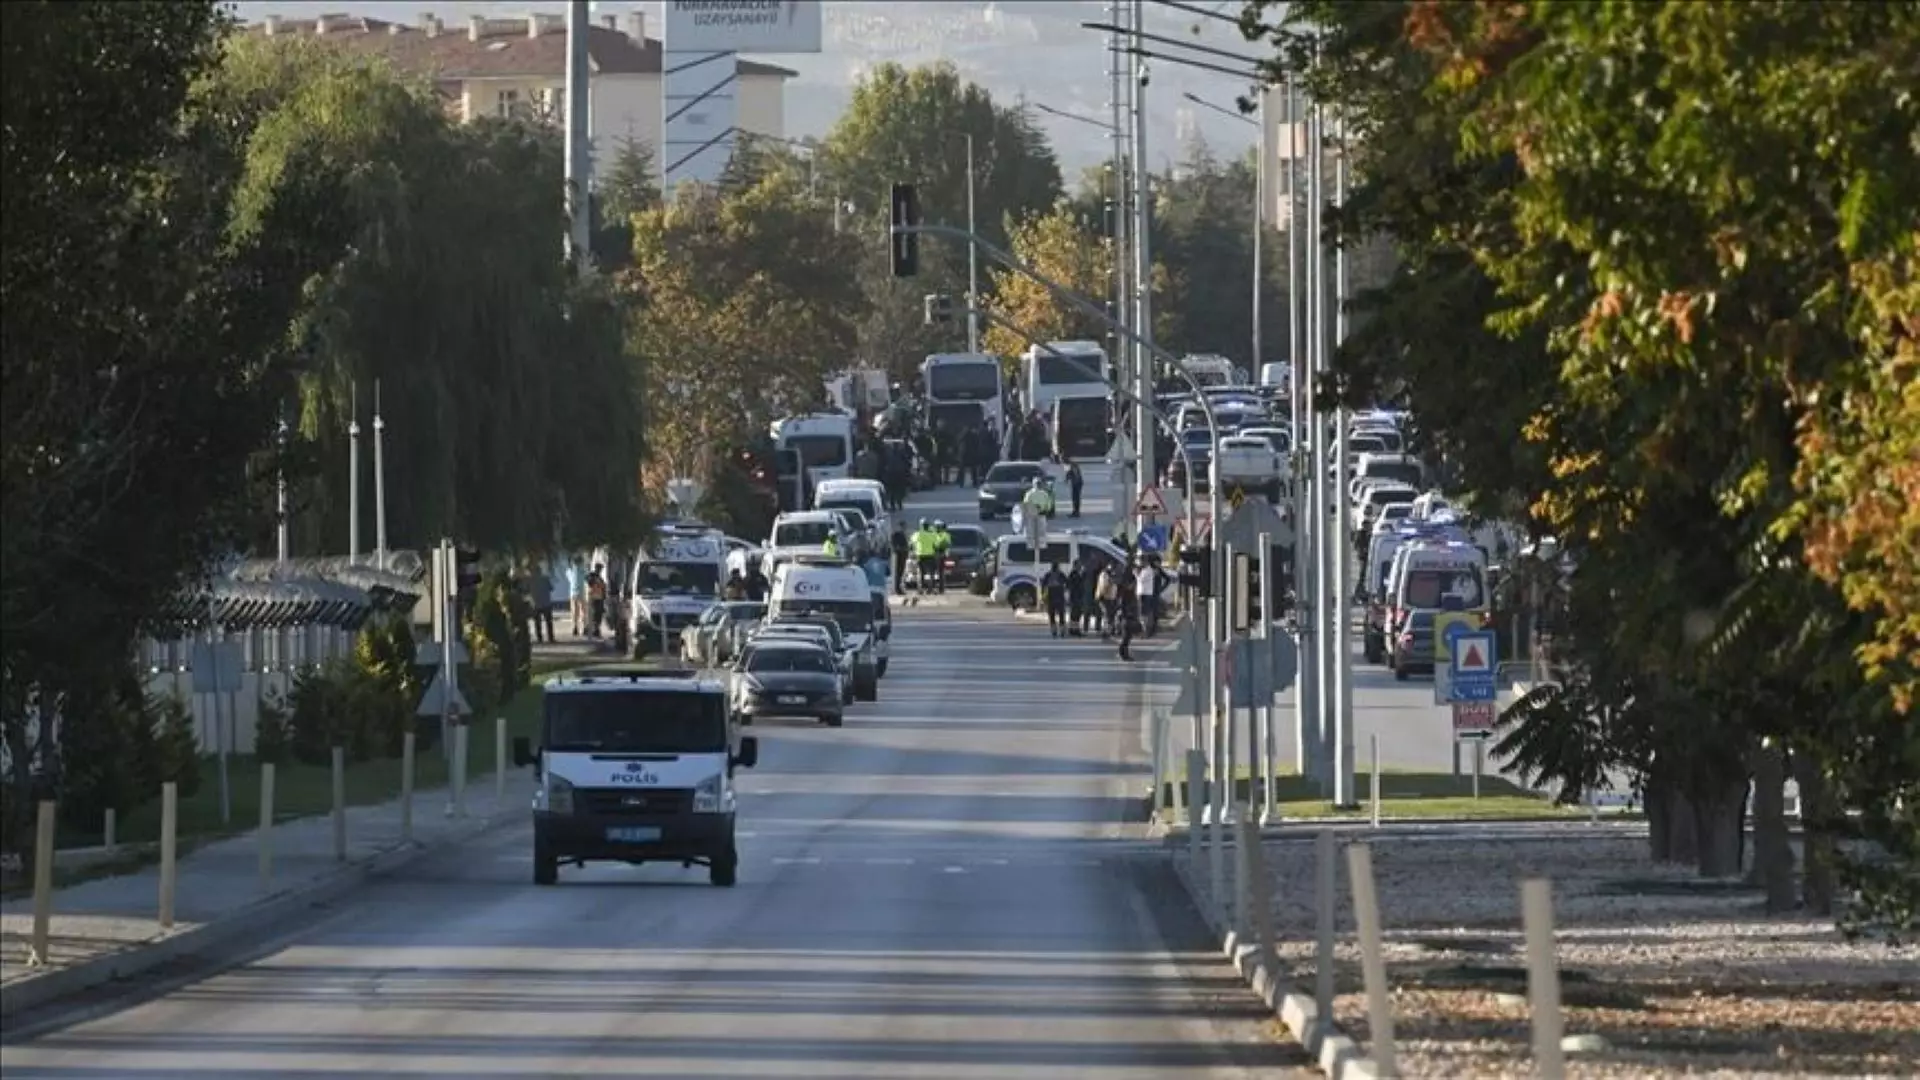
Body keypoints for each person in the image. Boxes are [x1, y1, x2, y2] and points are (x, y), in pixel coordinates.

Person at [1135, 556, 1168, 637]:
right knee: (1147, 612)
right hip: (1148, 593)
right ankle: (1149, 630)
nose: (1158, 564)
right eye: (1157, 562)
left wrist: (1161, 589)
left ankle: (1151, 630)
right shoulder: (1148, 569)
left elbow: (1167, 579)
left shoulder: (1153, 570)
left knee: (1150, 612)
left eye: (1159, 562)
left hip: (1152, 593)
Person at [909, 518, 940, 596]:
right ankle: (930, 588)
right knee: (931, 573)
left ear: (921, 526)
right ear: (928, 526)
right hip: (930, 555)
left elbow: (911, 544)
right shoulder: (932, 534)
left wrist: (913, 551)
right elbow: (936, 545)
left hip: (920, 555)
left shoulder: (917, 534)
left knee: (920, 573)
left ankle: (920, 589)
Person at [527, 563, 556, 644]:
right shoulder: (545, 578)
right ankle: (551, 638)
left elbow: (526, 590)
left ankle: (539, 638)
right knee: (548, 621)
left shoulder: (530, 580)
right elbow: (551, 588)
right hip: (546, 602)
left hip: (536, 603)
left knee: (537, 622)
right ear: (540, 571)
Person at [1041, 561, 1070, 638]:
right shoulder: (1061, 575)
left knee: (1052, 615)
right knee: (1061, 615)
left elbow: (1043, 586)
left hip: (1051, 597)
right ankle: (1062, 631)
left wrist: (1043, 597)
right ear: (1058, 567)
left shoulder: (1048, 575)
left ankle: (1054, 631)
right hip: (1060, 597)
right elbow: (1067, 584)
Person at [1116, 575, 1139, 661]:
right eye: (1133, 583)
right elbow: (1122, 606)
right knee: (1125, 637)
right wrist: (1128, 614)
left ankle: (1124, 653)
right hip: (1127, 618)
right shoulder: (1125, 593)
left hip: (1130, 617)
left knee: (1128, 637)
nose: (1134, 585)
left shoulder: (1131, 593)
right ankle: (1123, 654)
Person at [1066, 558, 1088, 637]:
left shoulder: (1077, 574)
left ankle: (1073, 629)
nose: (1080, 566)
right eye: (1079, 564)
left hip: (1078, 596)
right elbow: (1071, 585)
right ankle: (1075, 629)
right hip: (1075, 597)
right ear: (1075, 565)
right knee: (1076, 614)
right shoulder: (1074, 574)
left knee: (1076, 614)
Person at [586, 563, 608, 639]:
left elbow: (603, 587)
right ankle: (593, 630)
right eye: (599, 569)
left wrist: (604, 596)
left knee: (599, 615)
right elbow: (589, 583)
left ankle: (596, 630)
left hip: (599, 598)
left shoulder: (600, 578)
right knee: (594, 615)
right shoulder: (592, 576)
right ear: (596, 569)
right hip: (594, 598)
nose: (600, 570)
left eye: (601, 569)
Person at [567, 557, 586, 637]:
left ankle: (575, 627)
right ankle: (584, 627)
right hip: (582, 593)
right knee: (583, 611)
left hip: (573, 593)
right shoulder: (583, 571)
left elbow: (568, 575)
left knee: (574, 611)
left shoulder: (570, 571)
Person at [931, 520, 952, 594]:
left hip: (939, 554)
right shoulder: (933, 534)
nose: (937, 528)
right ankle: (935, 588)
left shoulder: (944, 535)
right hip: (934, 554)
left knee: (939, 572)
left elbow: (947, 545)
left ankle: (940, 588)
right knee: (935, 573)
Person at [889, 523, 910, 596]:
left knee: (900, 573)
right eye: (903, 527)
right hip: (899, 556)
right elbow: (894, 545)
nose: (905, 528)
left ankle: (898, 587)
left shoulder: (902, 534)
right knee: (898, 573)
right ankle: (897, 588)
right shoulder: (896, 534)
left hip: (902, 556)